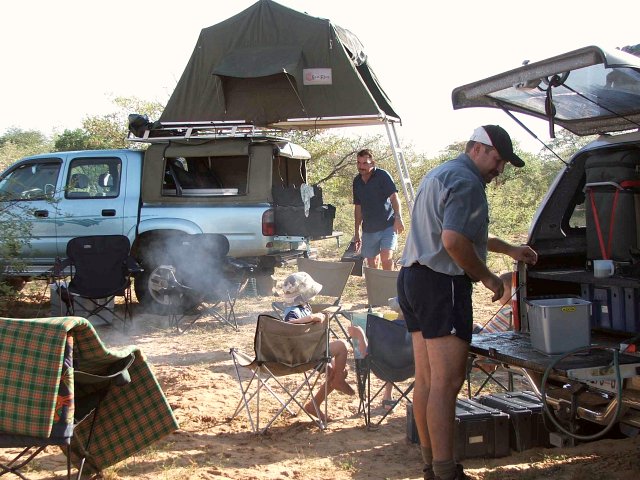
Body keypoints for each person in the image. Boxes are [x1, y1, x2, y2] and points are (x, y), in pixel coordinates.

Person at [396, 125, 538, 480]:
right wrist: (488, 277)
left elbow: (464, 233)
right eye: (498, 159)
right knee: (448, 381)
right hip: (442, 284)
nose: (500, 169)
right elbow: (454, 240)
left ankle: (432, 466)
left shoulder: (440, 173)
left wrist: (508, 249)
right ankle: (446, 472)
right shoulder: (469, 182)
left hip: (412, 278)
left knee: (428, 380)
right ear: (477, 149)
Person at [280, 272, 355, 422]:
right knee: (342, 346)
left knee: (339, 371)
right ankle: (338, 381)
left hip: (311, 351)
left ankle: (314, 405)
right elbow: (287, 327)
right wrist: (311, 318)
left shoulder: (303, 306)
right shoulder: (292, 312)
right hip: (302, 355)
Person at [353, 148, 404, 270]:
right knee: (372, 263)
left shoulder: (382, 175)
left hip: (388, 225)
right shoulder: (357, 181)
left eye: (365, 163)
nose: (361, 166)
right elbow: (358, 206)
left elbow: (394, 197)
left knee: (386, 258)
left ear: (373, 163)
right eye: (359, 163)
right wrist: (357, 231)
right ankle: (376, 288)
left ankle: (388, 287)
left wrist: (398, 218)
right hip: (369, 228)